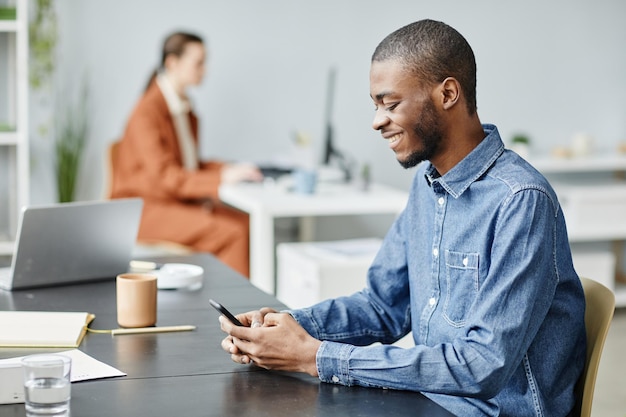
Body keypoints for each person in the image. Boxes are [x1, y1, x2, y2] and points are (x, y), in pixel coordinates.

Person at [218, 19, 587, 416]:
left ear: (448, 94)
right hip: (431, 398)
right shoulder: (428, 186)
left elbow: (481, 365)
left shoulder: (521, 201)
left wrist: (317, 357)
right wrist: (288, 328)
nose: (377, 121)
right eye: (375, 106)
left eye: (390, 104)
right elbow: (384, 306)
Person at [111, 31, 262, 277]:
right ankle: (238, 312)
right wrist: (221, 179)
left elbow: (187, 165)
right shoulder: (147, 112)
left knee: (243, 222)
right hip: (144, 211)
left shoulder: (182, 108)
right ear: (173, 63)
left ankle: (236, 303)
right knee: (233, 232)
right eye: (199, 62)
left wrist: (226, 169)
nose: (205, 70)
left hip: (171, 202)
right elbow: (167, 177)